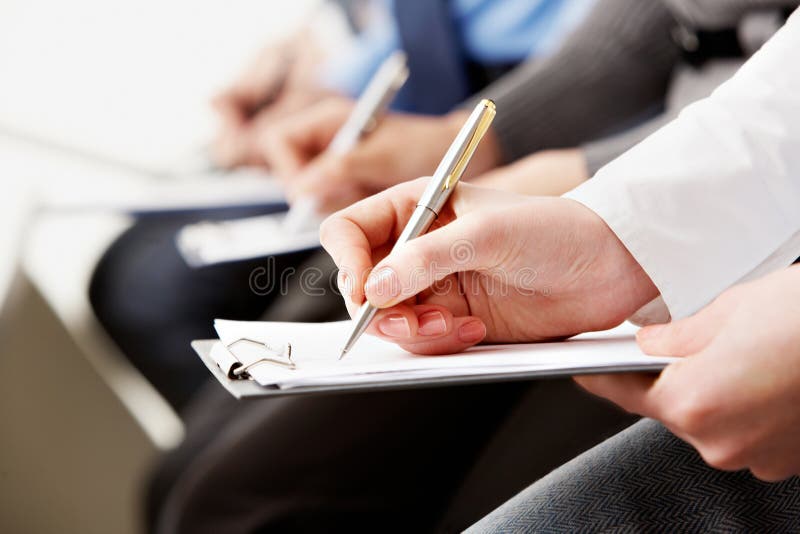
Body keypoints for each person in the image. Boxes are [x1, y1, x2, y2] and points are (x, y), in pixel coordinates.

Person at [148, 1, 800, 532]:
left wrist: (591, 182)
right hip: (707, 163)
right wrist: (604, 222)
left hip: (725, 216)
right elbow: (684, 20)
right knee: (205, 493)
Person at [89, 0, 598, 412]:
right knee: (125, 271)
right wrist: (316, 43)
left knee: (156, 290)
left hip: (511, 94)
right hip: (378, 85)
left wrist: (487, 145)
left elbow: (625, 52)